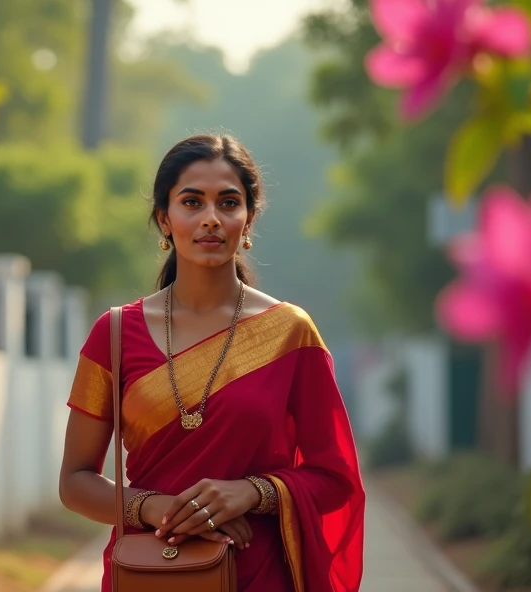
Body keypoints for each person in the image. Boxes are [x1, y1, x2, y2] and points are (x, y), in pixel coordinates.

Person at [58, 133, 366, 591]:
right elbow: (76, 481)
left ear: (249, 219)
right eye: (191, 202)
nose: (210, 219)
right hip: (150, 572)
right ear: (164, 219)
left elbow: (335, 478)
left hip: (257, 574)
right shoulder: (116, 333)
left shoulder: (290, 334)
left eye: (227, 203)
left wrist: (252, 493)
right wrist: (159, 508)